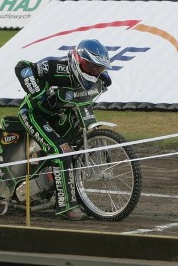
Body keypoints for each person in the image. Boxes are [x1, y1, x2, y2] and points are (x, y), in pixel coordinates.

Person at [15, 39, 112, 220]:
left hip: (62, 114)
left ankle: (67, 189)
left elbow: (101, 81)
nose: (95, 72)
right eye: (91, 67)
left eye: (99, 68)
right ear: (78, 60)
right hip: (35, 115)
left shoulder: (98, 76)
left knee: (75, 150)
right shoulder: (54, 67)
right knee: (62, 152)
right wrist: (38, 92)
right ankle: (65, 207)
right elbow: (22, 67)